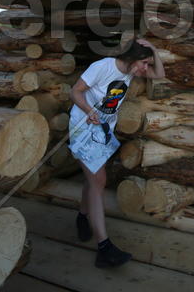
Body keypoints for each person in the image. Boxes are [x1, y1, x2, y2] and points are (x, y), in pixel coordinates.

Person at [68, 38, 165, 268]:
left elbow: (159, 74)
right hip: (83, 129)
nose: (145, 68)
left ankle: (82, 217)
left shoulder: (129, 73)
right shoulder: (102, 67)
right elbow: (75, 92)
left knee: (93, 179)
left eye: (147, 63)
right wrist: (89, 110)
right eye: (144, 63)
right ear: (132, 58)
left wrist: (153, 49)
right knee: (98, 180)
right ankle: (104, 248)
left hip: (102, 132)